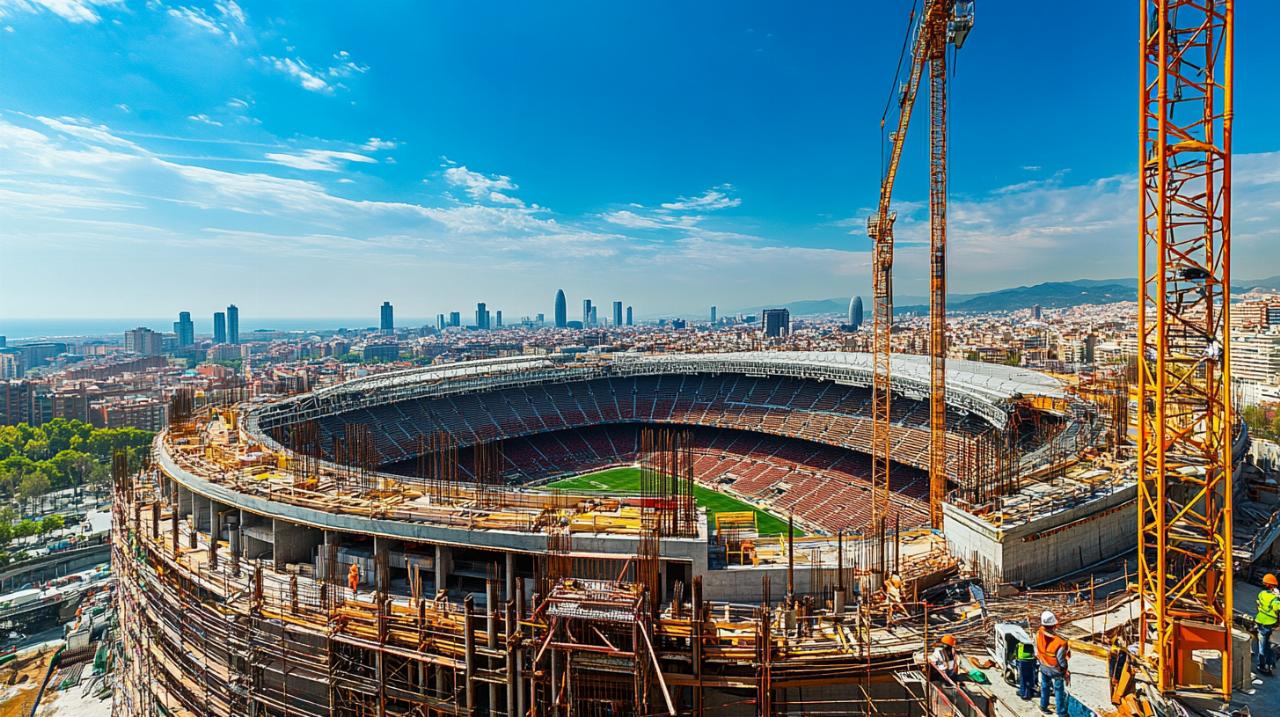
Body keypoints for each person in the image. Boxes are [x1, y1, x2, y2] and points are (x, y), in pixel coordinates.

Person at [1036, 610, 1070, 717]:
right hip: (1055, 670)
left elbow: (1036, 649)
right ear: (1054, 625)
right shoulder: (1060, 642)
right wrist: (1065, 670)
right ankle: (1061, 713)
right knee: (1059, 690)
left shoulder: (1038, 634)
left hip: (1043, 665)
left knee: (1045, 686)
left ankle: (1043, 705)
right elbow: (1061, 660)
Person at [1256, 573, 1280, 675]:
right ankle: (1265, 665)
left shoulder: (1261, 594)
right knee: (1264, 646)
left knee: (1264, 644)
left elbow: (1259, 603)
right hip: (1269, 623)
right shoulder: (1274, 599)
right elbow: (1277, 608)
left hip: (1260, 621)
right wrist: (1278, 598)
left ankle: (1268, 663)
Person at [1016, 634, 1038, 700]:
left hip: (1023, 660)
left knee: (1023, 678)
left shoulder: (1020, 643)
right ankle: (1031, 691)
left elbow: (1017, 651)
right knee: (1031, 677)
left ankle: (1023, 693)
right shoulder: (1032, 642)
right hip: (1031, 660)